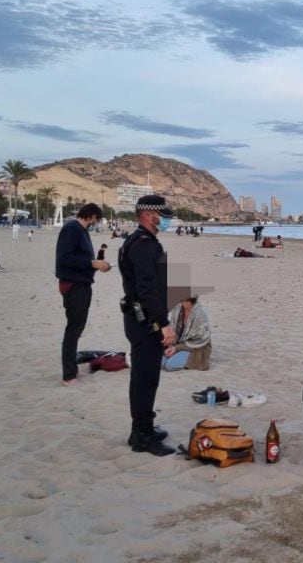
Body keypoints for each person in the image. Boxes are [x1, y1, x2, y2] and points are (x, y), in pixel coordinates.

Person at [119, 195, 177, 456]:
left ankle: (144, 427)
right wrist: (163, 325)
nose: (165, 219)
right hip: (145, 322)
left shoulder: (141, 241)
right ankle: (142, 436)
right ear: (148, 215)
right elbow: (147, 290)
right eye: (162, 215)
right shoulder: (143, 245)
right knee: (145, 379)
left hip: (142, 319)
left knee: (145, 378)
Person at [55, 204, 111, 386]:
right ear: (92, 216)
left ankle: (72, 370)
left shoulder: (82, 231)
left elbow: (84, 261)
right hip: (74, 286)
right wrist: (92, 263)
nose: (97, 223)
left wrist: (97, 265)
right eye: (97, 220)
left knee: (77, 329)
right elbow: (65, 258)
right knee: (73, 329)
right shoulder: (72, 229)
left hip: (83, 284)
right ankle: (68, 376)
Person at [161, 295, 212, 371]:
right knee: (161, 363)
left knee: (170, 366)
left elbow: (199, 341)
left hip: (196, 349)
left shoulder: (201, 315)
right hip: (177, 345)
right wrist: (170, 343)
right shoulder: (178, 308)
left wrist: (177, 348)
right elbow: (172, 329)